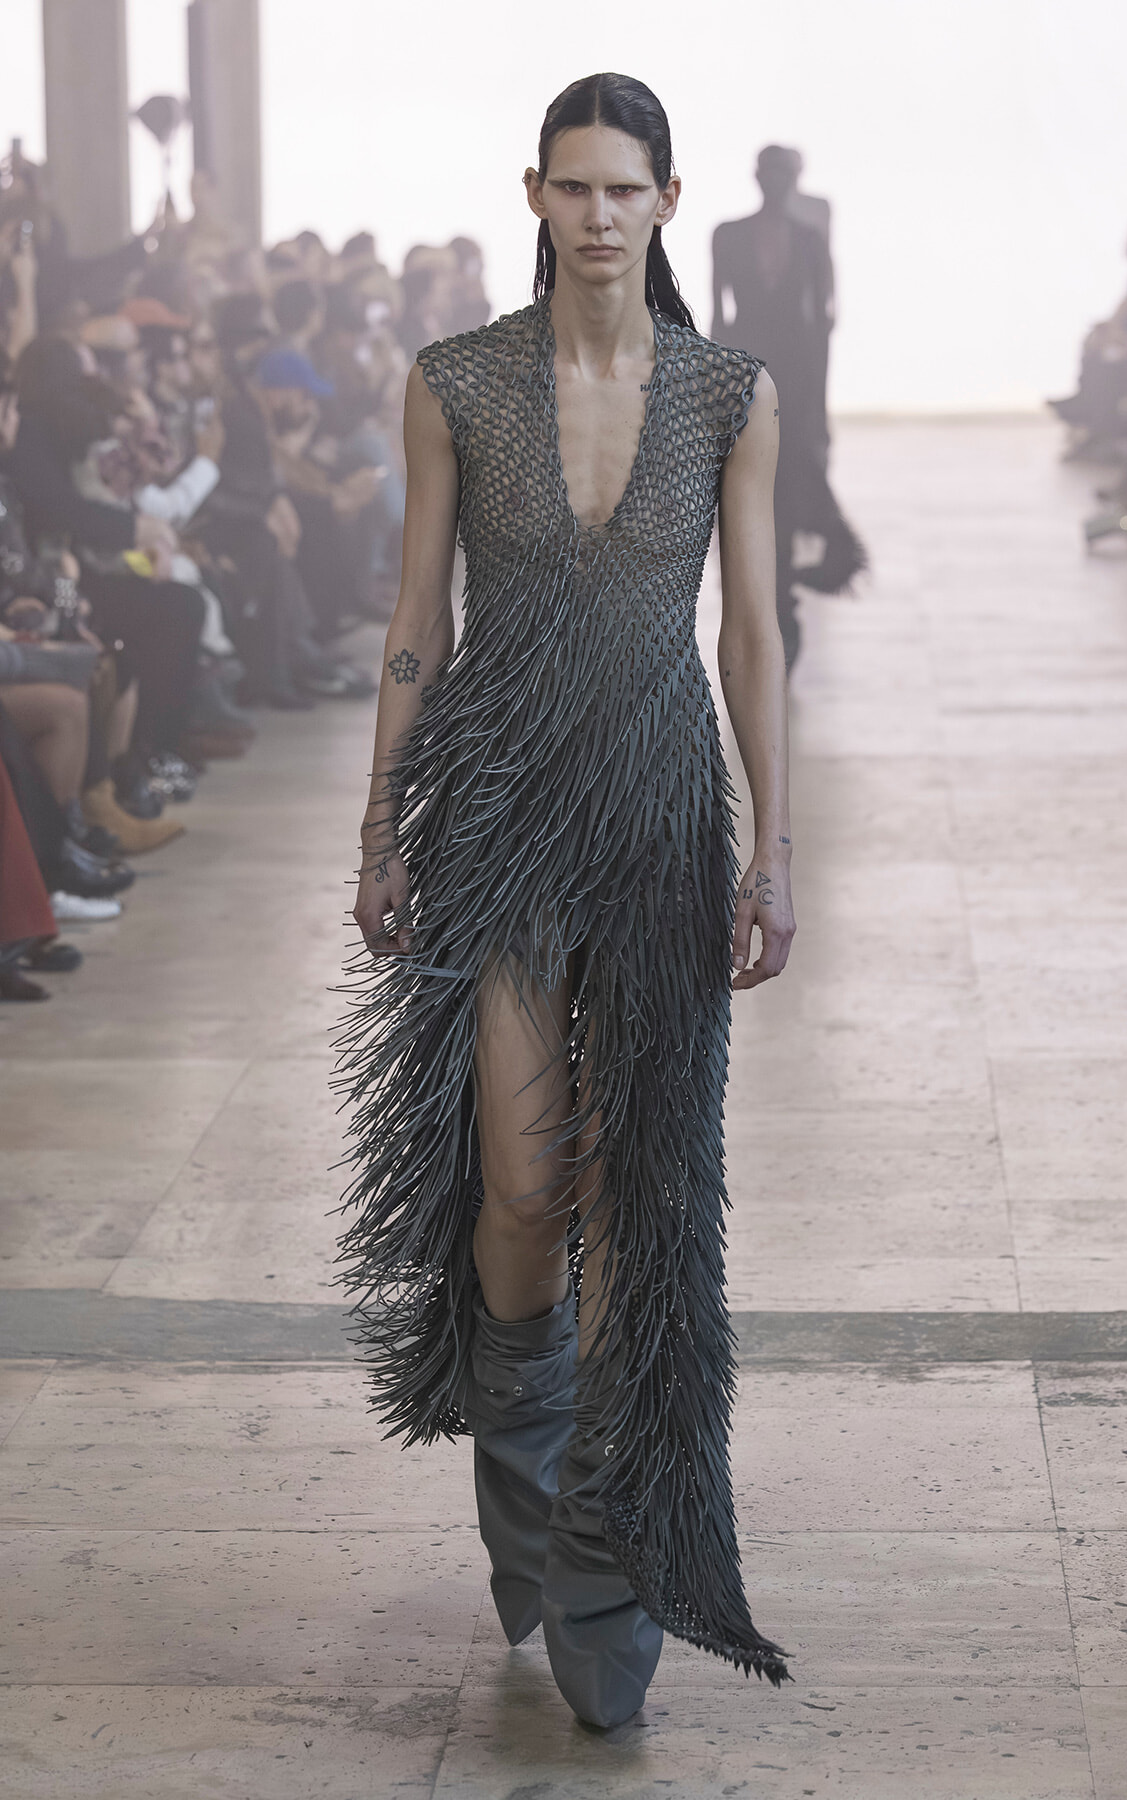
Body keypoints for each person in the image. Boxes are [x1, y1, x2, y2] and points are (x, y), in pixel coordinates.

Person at [341, 72, 795, 1730]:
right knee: (527, 1190)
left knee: (644, 1192)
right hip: (503, 812)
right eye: (574, 188)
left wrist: (777, 848)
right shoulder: (453, 383)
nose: (600, 215)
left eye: (628, 190)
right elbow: (415, 617)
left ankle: (607, 1559)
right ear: (534, 196)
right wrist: (383, 826)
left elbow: (751, 636)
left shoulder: (726, 392)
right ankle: (528, 1486)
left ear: (669, 203)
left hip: (668, 812)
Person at [712, 144, 866, 670]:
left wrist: (815, 405)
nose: (776, 182)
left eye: (785, 174)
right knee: (757, 490)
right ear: (757, 176)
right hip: (750, 367)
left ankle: (788, 602)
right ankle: (781, 603)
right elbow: (719, 314)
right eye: (770, 172)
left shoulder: (807, 238)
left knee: (785, 482)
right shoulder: (729, 235)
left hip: (796, 377)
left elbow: (824, 320)